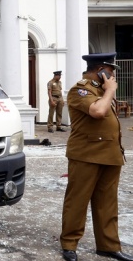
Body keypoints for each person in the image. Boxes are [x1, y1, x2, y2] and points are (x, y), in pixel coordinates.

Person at [60, 53, 132, 261]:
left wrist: (106, 90)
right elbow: (98, 112)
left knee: (107, 203)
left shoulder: (100, 90)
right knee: (77, 202)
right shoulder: (80, 90)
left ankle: (108, 245)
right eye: (110, 72)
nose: (112, 77)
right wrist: (109, 91)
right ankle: (69, 244)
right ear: (100, 69)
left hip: (110, 155)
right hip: (86, 155)